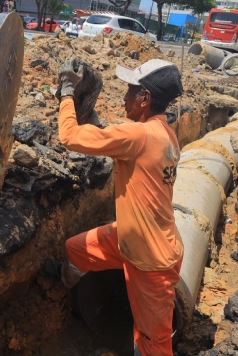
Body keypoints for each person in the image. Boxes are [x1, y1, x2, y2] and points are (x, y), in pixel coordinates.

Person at [44, 58, 185, 356]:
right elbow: (121, 146)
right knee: (76, 249)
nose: (125, 97)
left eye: (130, 91)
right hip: (133, 238)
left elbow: (68, 136)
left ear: (145, 98)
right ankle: (63, 283)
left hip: (152, 262)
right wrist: (96, 122)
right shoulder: (164, 134)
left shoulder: (139, 135)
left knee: (152, 344)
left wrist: (68, 91)